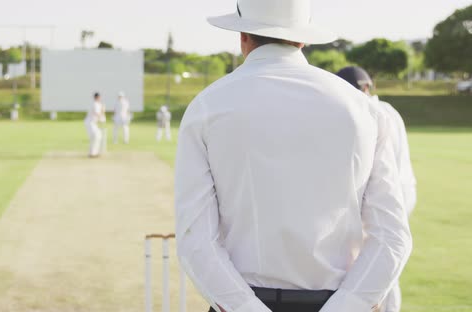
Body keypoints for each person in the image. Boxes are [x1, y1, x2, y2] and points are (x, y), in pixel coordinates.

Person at [174, 1, 413, 312]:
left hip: (244, 302)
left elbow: (196, 242)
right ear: (303, 38)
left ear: (243, 36)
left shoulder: (207, 107)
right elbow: (392, 238)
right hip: (337, 301)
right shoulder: (362, 109)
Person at [337, 66, 417, 312]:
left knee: (374, 275)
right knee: (384, 274)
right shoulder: (389, 112)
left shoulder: (370, 113)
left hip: (377, 202)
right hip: (399, 198)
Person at [84, 92, 105, 158]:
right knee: (96, 136)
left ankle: (93, 153)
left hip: (93, 123)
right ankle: (93, 153)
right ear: (96, 97)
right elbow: (97, 113)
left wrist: (102, 113)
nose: (99, 98)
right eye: (98, 97)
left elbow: (99, 114)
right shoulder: (95, 104)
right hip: (90, 123)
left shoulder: (98, 104)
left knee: (97, 136)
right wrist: (102, 117)